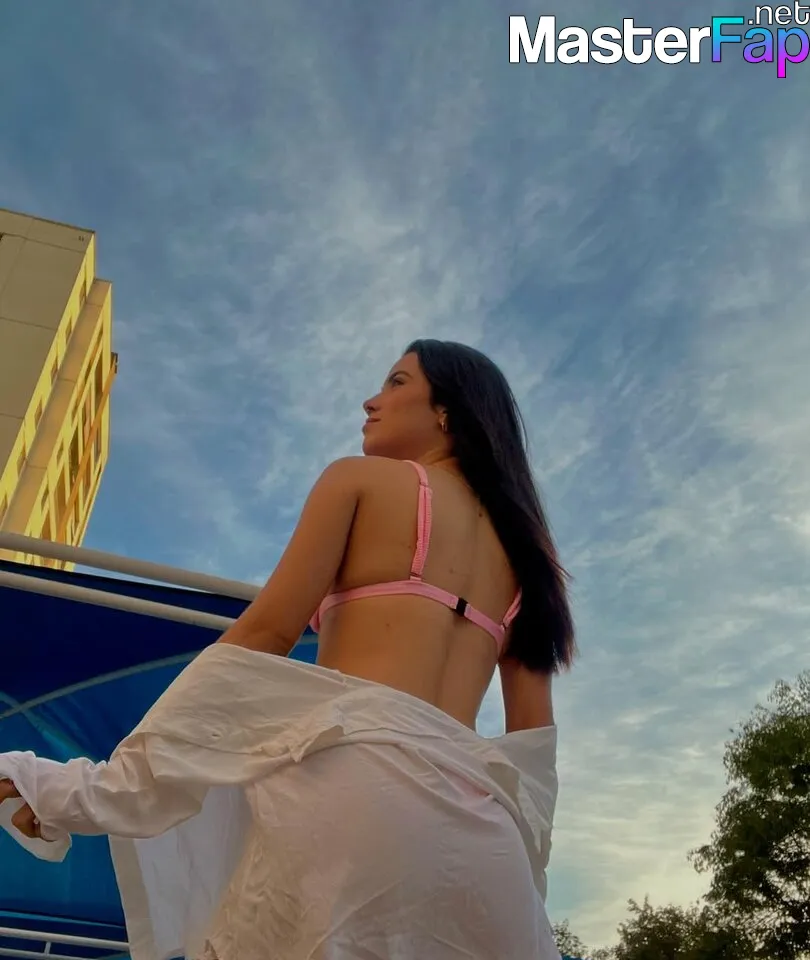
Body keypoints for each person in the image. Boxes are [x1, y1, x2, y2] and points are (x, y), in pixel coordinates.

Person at [0, 339, 576, 960]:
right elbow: (533, 753)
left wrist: (103, 786)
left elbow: (263, 637)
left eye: (396, 382)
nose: (371, 400)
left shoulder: (359, 481)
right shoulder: (530, 558)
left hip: (355, 787)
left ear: (447, 409)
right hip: (487, 844)